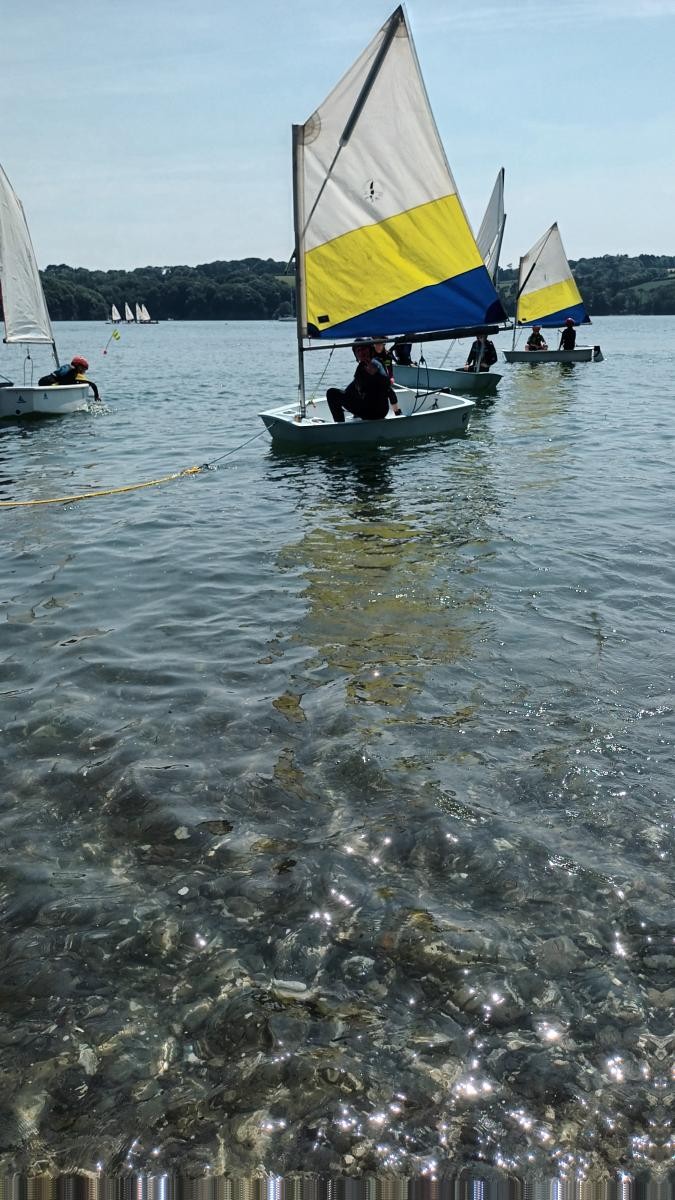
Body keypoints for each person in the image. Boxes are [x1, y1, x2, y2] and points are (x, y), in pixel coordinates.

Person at [326, 339, 401, 422]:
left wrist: (377, 375)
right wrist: (343, 400)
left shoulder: (375, 363)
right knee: (346, 391)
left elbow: (388, 387)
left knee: (331, 393)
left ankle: (340, 426)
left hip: (374, 412)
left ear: (370, 349)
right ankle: (351, 417)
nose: (362, 352)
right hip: (376, 409)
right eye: (358, 350)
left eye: (364, 349)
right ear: (356, 354)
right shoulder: (362, 367)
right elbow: (352, 387)